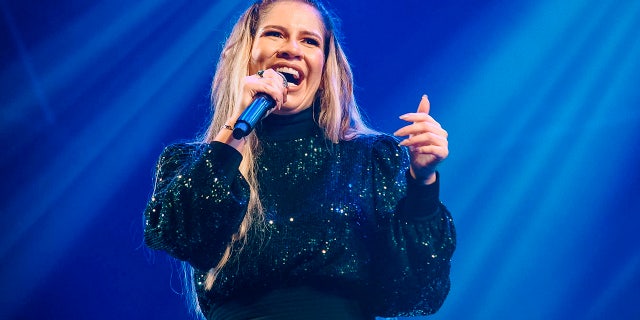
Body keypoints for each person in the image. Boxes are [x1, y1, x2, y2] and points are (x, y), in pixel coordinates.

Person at [144, 0, 456, 319]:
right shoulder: (190, 163)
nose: (292, 49)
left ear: (324, 64)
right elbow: (180, 236)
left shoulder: (371, 160)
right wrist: (233, 130)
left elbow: (417, 291)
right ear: (246, 52)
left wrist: (423, 183)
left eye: (309, 40)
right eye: (275, 34)